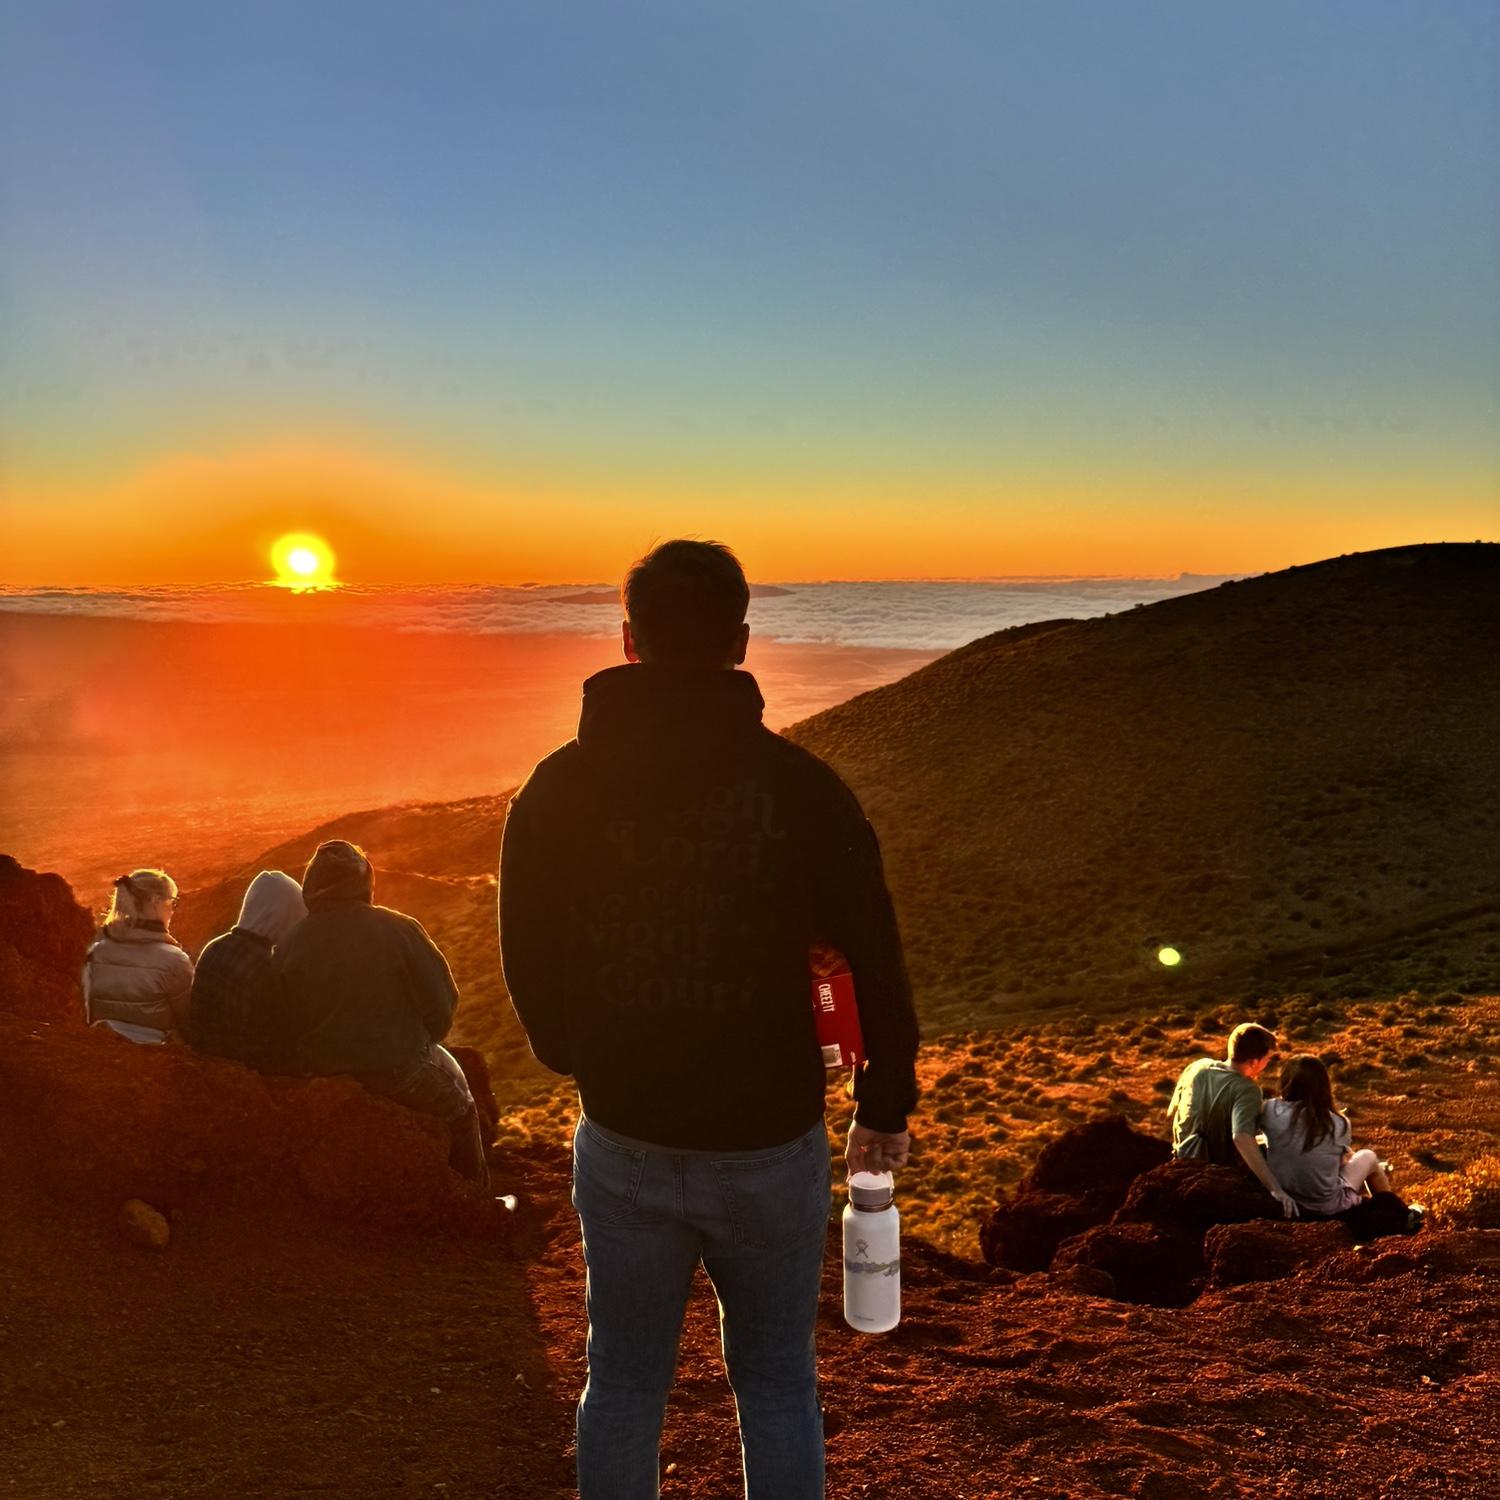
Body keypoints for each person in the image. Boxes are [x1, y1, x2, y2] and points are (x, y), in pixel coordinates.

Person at [500, 538, 921, 1500]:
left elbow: (525, 949)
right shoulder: (802, 791)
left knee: (622, 1388)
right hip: (769, 1141)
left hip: (627, 1133)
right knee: (776, 1384)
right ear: (739, 643)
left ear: (628, 640)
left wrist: (575, 1052)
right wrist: (883, 1099)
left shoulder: (560, 788)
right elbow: (875, 952)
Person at [275, 840, 489, 1185]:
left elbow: (285, 1016)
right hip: (398, 1070)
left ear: (312, 886)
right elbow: (441, 1001)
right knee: (462, 1108)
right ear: (364, 883)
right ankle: (475, 1200)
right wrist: (421, 1042)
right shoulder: (398, 928)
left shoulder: (289, 943)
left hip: (323, 1074)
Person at [1263, 1055, 1420, 1235]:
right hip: (1325, 1206)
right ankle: (1397, 1214)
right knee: (1368, 1157)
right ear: (1323, 1086)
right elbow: (1337, 1165)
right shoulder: (1337, 1122)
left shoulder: (1269, 1110)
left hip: (1287, 1198)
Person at [1168, 1021, 1298, 1218]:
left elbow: (1175, 1110)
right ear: (1254, 1061)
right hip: (1214, 1171)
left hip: (1182, 1158)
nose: (1266, 1065)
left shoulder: (1199, 1068)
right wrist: (1275, 1189)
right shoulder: (1246, 1089)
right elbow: (1241, 1137)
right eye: (1267, 1059)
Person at [187, 869, 306, 1070]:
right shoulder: (269, 967)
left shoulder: (215, 946)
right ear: (284, 916)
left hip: (207, 1062)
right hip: (250, 1072)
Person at [82, 868, 194, 1044]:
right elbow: (188, 1021)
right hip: (155, 1056)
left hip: (104, 1049)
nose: (173, 910)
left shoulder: (97, 952)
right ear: (156, 901)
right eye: (173, 902)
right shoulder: (174, 960)